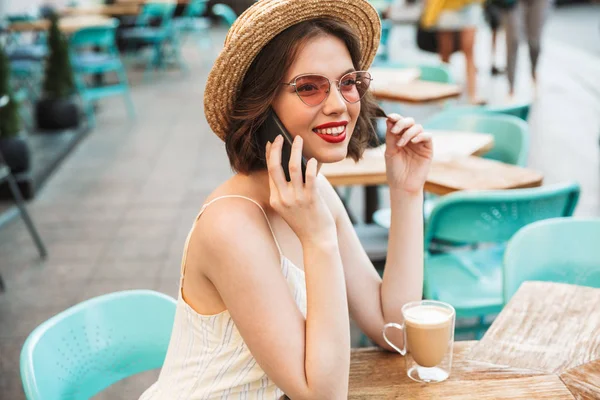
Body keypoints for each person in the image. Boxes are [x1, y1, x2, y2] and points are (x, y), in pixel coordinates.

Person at [140, 0, 433, 398]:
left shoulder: (314, 194)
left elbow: (394, 330)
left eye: (348, 82)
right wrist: (318, 239)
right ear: (263, 102)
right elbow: (323, 394)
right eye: (309, 88)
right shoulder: (232, 226)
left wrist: (406, 192)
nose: (338, 105)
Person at [422, 0, 486, 104]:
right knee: (445, 52)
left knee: (469, 50)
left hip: (469, 4)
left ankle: (473, 94)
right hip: (446, 5)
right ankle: (443, 93)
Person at [503, 0, 552, 98]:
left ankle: (534, 72)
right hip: (514, 2)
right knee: (513, 39)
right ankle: (511, 88)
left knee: (534, 42)